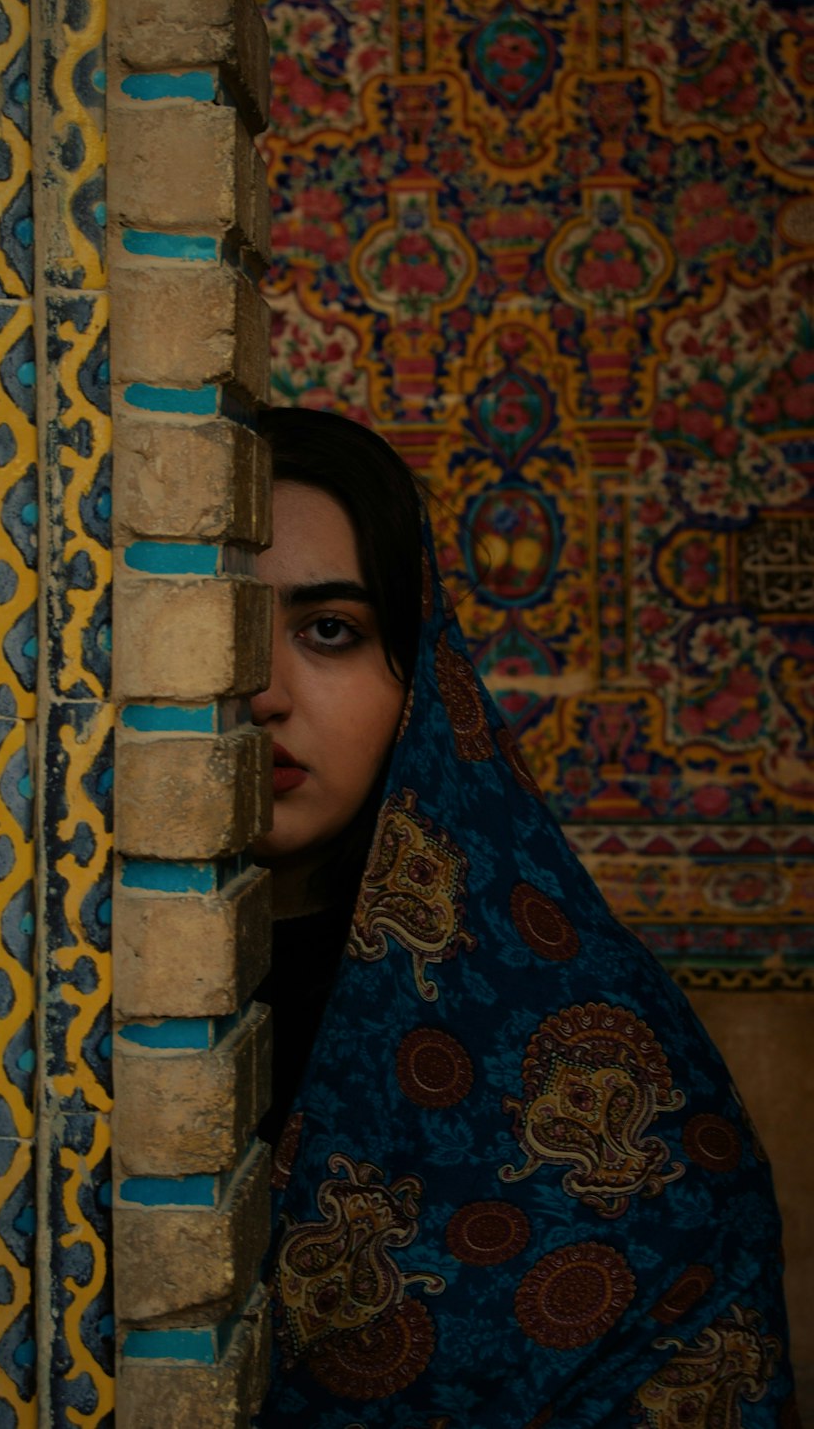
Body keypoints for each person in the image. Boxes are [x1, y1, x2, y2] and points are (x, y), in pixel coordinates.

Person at [249, 406, 797, 1428]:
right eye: (216, 624)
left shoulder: (599, 1047)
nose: (264, 691)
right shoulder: (40, 994)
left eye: (329, 631)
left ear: (422, 676)